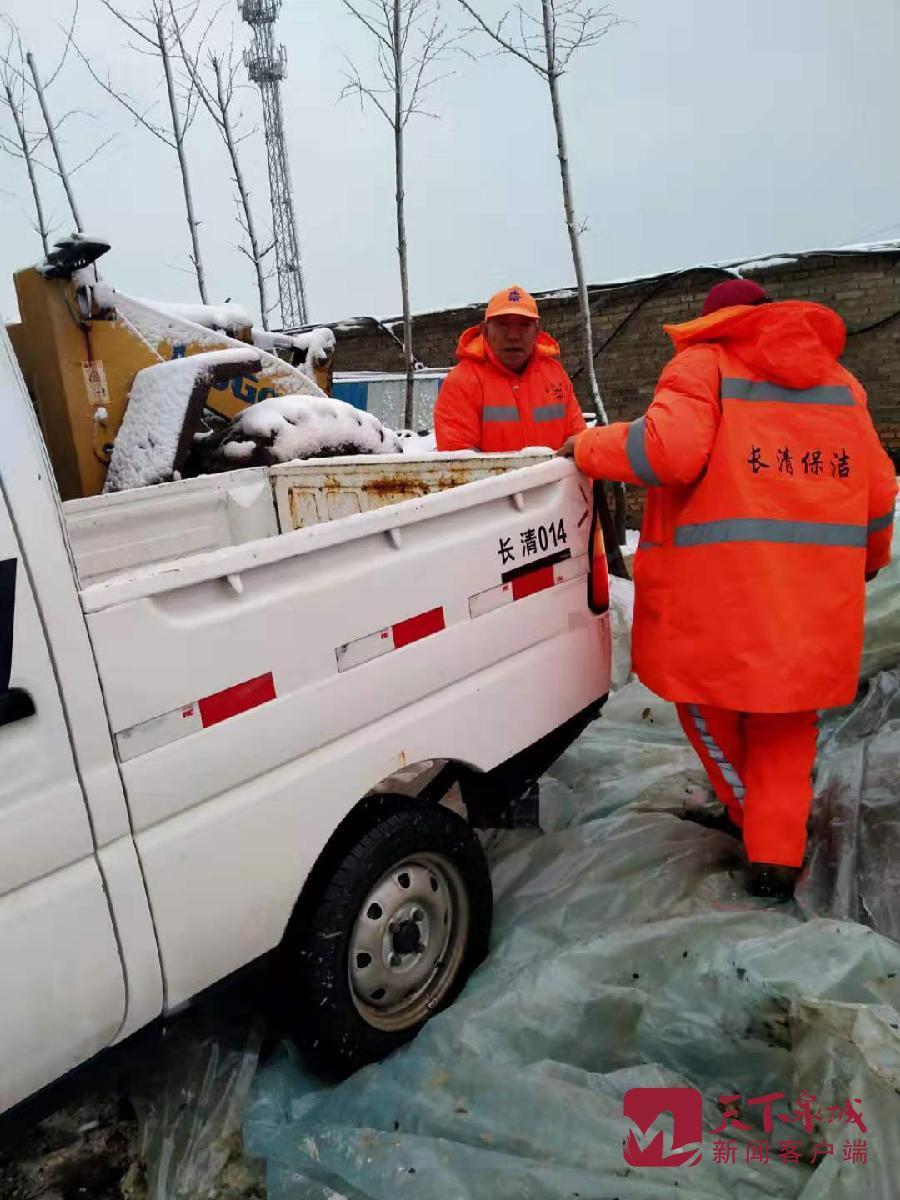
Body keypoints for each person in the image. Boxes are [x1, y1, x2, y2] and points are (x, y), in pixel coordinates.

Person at [560, 278, 897, 900]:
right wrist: (870, 558)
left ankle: (758, 831)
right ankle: (776, 848)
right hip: (815, 604)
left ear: (716, 322)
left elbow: (667, 452)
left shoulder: (703, 365)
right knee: (786, 727)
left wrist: (586, 445)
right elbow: (878, 491)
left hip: (722, 600)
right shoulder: (842, 386)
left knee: (708, 708)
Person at [434, 285, 586, 452]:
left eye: (523, 325)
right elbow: (459, 461)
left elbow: (579, 443)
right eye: (502, 325)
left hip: (556, 479)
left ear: (536, 332)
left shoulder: (555, 376)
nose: (513, 336)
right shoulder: (461, 382)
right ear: (485, 331)